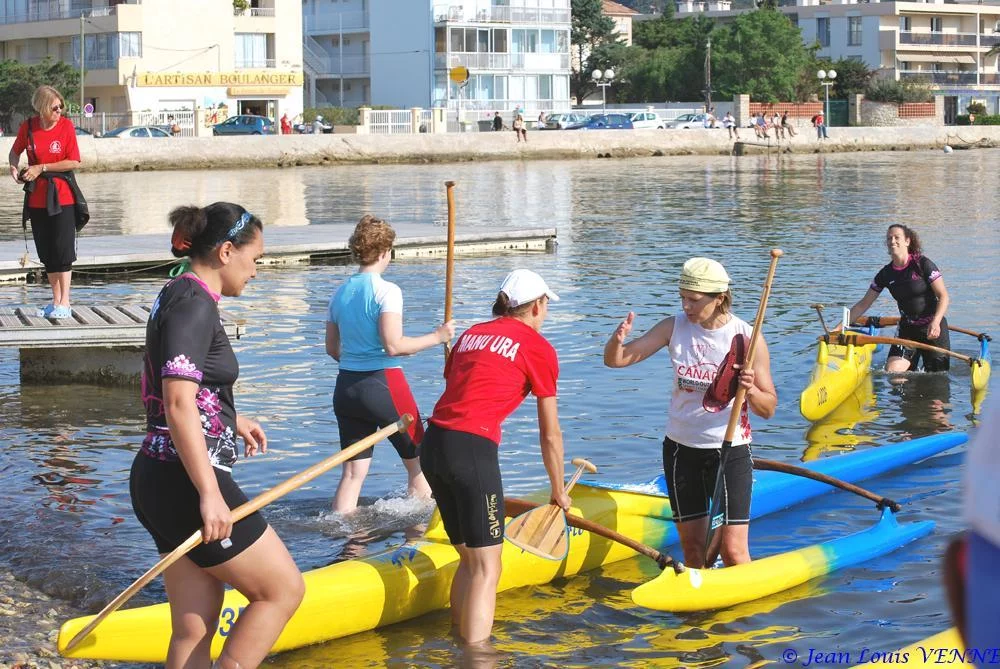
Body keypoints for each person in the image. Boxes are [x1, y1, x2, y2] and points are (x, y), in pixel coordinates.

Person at [130, 202, 304, 669]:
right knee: (283, 590)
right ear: (227, 251)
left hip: (157, 475)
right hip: (186, 480)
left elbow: (183, 386)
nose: (257, 271)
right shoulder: (196, 304)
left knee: (196, 625)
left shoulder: (178, 290)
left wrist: (232, 419)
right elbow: (177, 401)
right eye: (255, 259)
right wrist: (209, 493)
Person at [420, 269, 570, 644]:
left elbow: (456, 382)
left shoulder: (471, 334)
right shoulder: (539, 348)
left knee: (470, 561)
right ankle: (477, 658)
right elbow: (549, 432)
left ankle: (456, 646)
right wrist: (558, 490)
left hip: (433, 445)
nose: (546, 312)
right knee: (489, 568)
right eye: (546, 305)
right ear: (537, 306)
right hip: (471, 451)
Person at [603, 257, 777, 569]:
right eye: (682, 297)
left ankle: (746, 617)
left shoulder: (748, 339)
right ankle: (701, 617)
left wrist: (748, 389)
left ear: (719, 299)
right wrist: (616, 343)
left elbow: (769, 408)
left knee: (734, 553)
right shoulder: (673, 328)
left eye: (694, 300)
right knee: (694, 553)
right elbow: (617, 361)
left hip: (728, 452)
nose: (686, 306)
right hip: (680, 451)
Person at [326, 215, 455, 513]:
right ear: (386, 252)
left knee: (352, 474)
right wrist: (438, 336)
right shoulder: (387, 291)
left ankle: (346, 542)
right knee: (420, 466)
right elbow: (394, 345)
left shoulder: (339, 292)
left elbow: (333, 349)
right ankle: (418, 540)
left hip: (345, 388)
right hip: (384, 385)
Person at [9, 85, 82, 319]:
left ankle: (65, 302)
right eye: (55, 107)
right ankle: (55, 301)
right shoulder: (28, 126)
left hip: (62, 196)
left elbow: (74, 161)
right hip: (37, 199)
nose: (59, 110)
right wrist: (12, 166)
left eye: (61, 106)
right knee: (47, 251)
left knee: (63, 250)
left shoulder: (66, 127)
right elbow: (14, 151)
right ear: (42, 108)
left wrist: (42, 167)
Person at [846, 224, 951, 372]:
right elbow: (863, 304)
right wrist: (839, 327)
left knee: (936, 379)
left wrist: (936, 321)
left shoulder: (923, 265)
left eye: (897, 237)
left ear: (907, 241)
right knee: (894, 374)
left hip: (933, 328)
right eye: (889, 238)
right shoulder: (885, 274)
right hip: (907, 330)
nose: (892, 241)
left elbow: (944, 296)